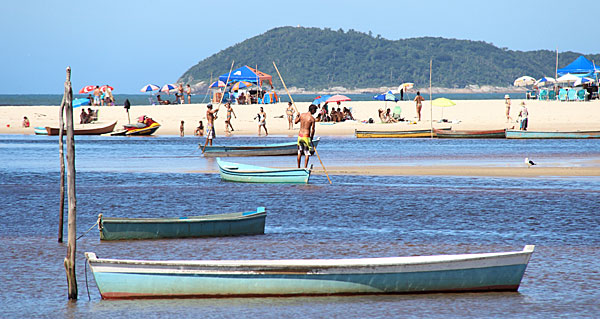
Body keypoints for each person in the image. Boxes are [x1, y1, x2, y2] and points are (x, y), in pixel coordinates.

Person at [294, 104, 317, 168]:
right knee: (307, 153)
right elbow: (313, 130)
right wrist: (311, 138)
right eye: (315, 110)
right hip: (306, 136)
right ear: (312, 110)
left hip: (300, 135)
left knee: (299, 152)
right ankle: (305, 167)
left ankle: (298, 167)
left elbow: (295, 122)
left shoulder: (302, 115)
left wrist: (297, 116)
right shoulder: (312, 119)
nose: (315, 112)